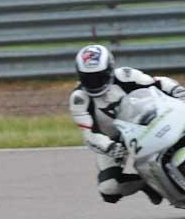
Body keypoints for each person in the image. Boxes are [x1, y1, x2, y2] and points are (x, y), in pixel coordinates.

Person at [69, 44, 185, 204]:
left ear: (109, 70)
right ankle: (147, 183)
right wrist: (110, 147)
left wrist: (178, 92)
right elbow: (89, 135)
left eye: (98, 77)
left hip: (145, 123)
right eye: (87, 78)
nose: (93, 83)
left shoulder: (126, 75)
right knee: (109, 189)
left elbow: (159, 83)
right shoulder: (79, 99)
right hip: (113, 142)